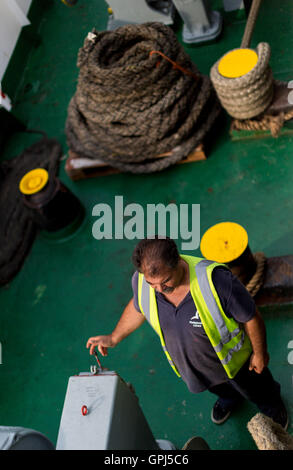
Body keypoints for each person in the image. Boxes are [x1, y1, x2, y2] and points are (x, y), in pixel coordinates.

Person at [87, 236, 288, 429]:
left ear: (178, 262)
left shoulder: (216, 281)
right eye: (152, 284)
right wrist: (114, 337)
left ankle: (273, 408)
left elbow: (250, 317)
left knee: (260, 391)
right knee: (220, 389)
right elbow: (139, 304)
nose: (158, 289)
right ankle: (228, 397)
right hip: (197, 370)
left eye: (165, 281)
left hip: (239, 364)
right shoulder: (142, 282)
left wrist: (260, 354)